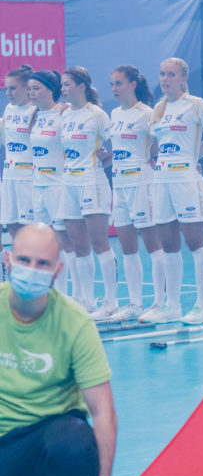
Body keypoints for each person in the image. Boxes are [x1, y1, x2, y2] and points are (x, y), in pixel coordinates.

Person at [0, 223, 116, 476]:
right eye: (24, 260)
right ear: (7, 260)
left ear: (57, 270)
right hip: (5, 434)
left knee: (77, 444)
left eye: (42, 263)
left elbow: (103, 412)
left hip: (54, 431)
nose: (31, 270)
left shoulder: (75, 322)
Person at [140, 57, 203, 325]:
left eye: (171, 74)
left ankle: (202, 305)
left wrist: (194, 159)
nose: (165, 79)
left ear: (183, 78)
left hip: (186, 180)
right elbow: (156, 144)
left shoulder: (196, 105)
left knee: (195, 242)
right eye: (162, 74)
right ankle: (172, 306)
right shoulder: (158, 109)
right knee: (169, 245)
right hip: (161, 181)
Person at [57, 68, 116, 319]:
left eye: (67, 84)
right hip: (68, 182)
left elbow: (117, 145)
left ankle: (111, 302)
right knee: (78, 245)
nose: (63, 89)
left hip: (92, 181)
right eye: (62, 85)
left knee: (99, 242)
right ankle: (88, 302)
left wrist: (106, 159)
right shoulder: (65, 114)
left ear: (81, 86)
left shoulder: (97, 115)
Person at [107, 66, 164, 320]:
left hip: (142, 183)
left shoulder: (147, 114)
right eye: (112, 84)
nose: (114, 88)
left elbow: (161, 141)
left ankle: (160, 303)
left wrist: (154, 157)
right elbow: (119, 147)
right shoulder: (114, 113)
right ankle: (134, 304)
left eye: (119, 83)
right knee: (127, 247)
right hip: (118, 185)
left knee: (153, 245)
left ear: (132, 84)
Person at [26, 71, 72, 299]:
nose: (31, 93)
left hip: (58, 186)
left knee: (65, 243)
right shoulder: (34, 116)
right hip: (39, 187)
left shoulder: (64, 113)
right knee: (47, 244)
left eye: (36, 88)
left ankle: (71, 296)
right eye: (29, 88)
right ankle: (53, 293)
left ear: (51, 90)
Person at [2, 65, 37, 243]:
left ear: (26, 88)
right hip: (9, 177)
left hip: (30, 178)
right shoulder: (9, 109)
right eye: (6, 88)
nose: (8, 93)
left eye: (13, 88)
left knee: (32, 231)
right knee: (12, 226)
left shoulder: (37, 110)